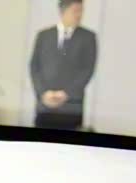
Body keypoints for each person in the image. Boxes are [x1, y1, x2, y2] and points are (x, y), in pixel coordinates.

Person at [30, 0, 98, 130]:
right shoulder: (44, 36)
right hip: (45, 106)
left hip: (72, 107)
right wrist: (43, 93)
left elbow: (87, 70)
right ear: (63, 11)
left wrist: (67, 93)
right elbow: (34, 67)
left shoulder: (88, 37)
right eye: (75, 11)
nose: (79, 15)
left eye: (81, 11)